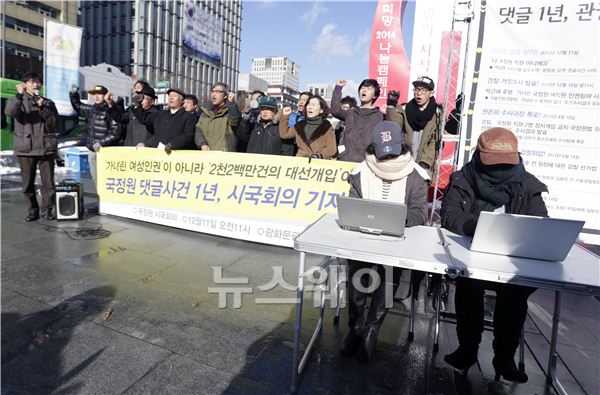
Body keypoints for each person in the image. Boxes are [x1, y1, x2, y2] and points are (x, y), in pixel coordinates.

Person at [441, 127, 548, 383]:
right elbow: (450, 214)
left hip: (512, 259)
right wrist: (474, 227)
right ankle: (467, 350)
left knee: (515, 292)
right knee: (468, 287)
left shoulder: (527, 184)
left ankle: (504, 358)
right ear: (480, 156)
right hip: (471, 253)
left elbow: (541, 221)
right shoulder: (462, 179)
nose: (498, 169)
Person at [340, 121, 429, 361]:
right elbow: (354, 203)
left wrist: (398, 220)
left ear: (402, 145)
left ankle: (372, 329)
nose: (389, 155)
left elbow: (420, 212)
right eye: (384, 150)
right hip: (362, 237)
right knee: (356, 275)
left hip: (398, 240)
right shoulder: (361, 171)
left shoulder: (416, 175)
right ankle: (355, 326)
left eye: (394, 149)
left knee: (389, 278)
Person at [5, 72, 59, 221]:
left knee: (48, 183)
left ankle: (48, 209)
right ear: (24, 84)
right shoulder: (17, 100)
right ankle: (33, 210)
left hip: (46, 147)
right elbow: (10, 112)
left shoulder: (48, 102)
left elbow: (54, 122)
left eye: (38, 82)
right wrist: (18, 95)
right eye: (32, 81)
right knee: (27, 183)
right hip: (26, 148)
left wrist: (43, 108)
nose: (36, 84)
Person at [386, 76, 442, 178]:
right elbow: (394, 127)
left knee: (419, 193)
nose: (419, 93)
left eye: (423, 90)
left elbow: (435, 141)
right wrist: (391, 106)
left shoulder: (437, 114)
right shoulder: (404, 108)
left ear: (431, 93)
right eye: (416, 89)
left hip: (424, 166)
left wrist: (425, 162)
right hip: (404, 162)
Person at [69, 84, 122, 182]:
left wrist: (100, 144)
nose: (96, 96)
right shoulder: (92, 109)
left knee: (107, 180)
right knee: (96, 179)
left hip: (107, 151)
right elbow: (78, 106)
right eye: (94, 94)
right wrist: (73, 93)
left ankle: (106, 198)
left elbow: (116, 132)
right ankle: (100, 197)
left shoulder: (112, 110)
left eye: (100, 94)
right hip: (92, 150)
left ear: (106, 96)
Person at [126, 88, 196, 153]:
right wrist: (138, 104)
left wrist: (171, 145)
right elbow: (145, 120)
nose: (171, 98)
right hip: (158, 154)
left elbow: (187, 136)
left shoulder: (188, 116)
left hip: (175, 154)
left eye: (174, 96)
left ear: (182, 100)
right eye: (169, 96)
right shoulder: (161, 114)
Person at [331, 79, 384, 163]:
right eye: (362, 87)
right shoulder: (350, 113)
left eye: (369, 88)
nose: (364, 90)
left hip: (367, 163)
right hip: (345, 159)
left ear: (374, 95)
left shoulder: (379, 116)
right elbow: (335, 111)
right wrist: (338, 89)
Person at [280, 95, 336, 159]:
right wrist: (285, 116)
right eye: (309, 104)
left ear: (321, 110)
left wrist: (318, 155)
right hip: (301, 162)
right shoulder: (300, 125)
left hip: (319, 163)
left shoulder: (327, 126)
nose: (310, 107)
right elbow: (284, 134)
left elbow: (332, 149)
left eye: (313, 105)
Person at [194, 83, 241, 152]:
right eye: (212, 91)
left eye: (218, 92)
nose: (214, 94)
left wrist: (231, 104)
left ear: (225, 96)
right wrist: (202, 144)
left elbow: (234, 122)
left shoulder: (230, 111)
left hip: (224, 155)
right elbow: (198, 131)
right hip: (207, 154)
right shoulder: (205, 112)